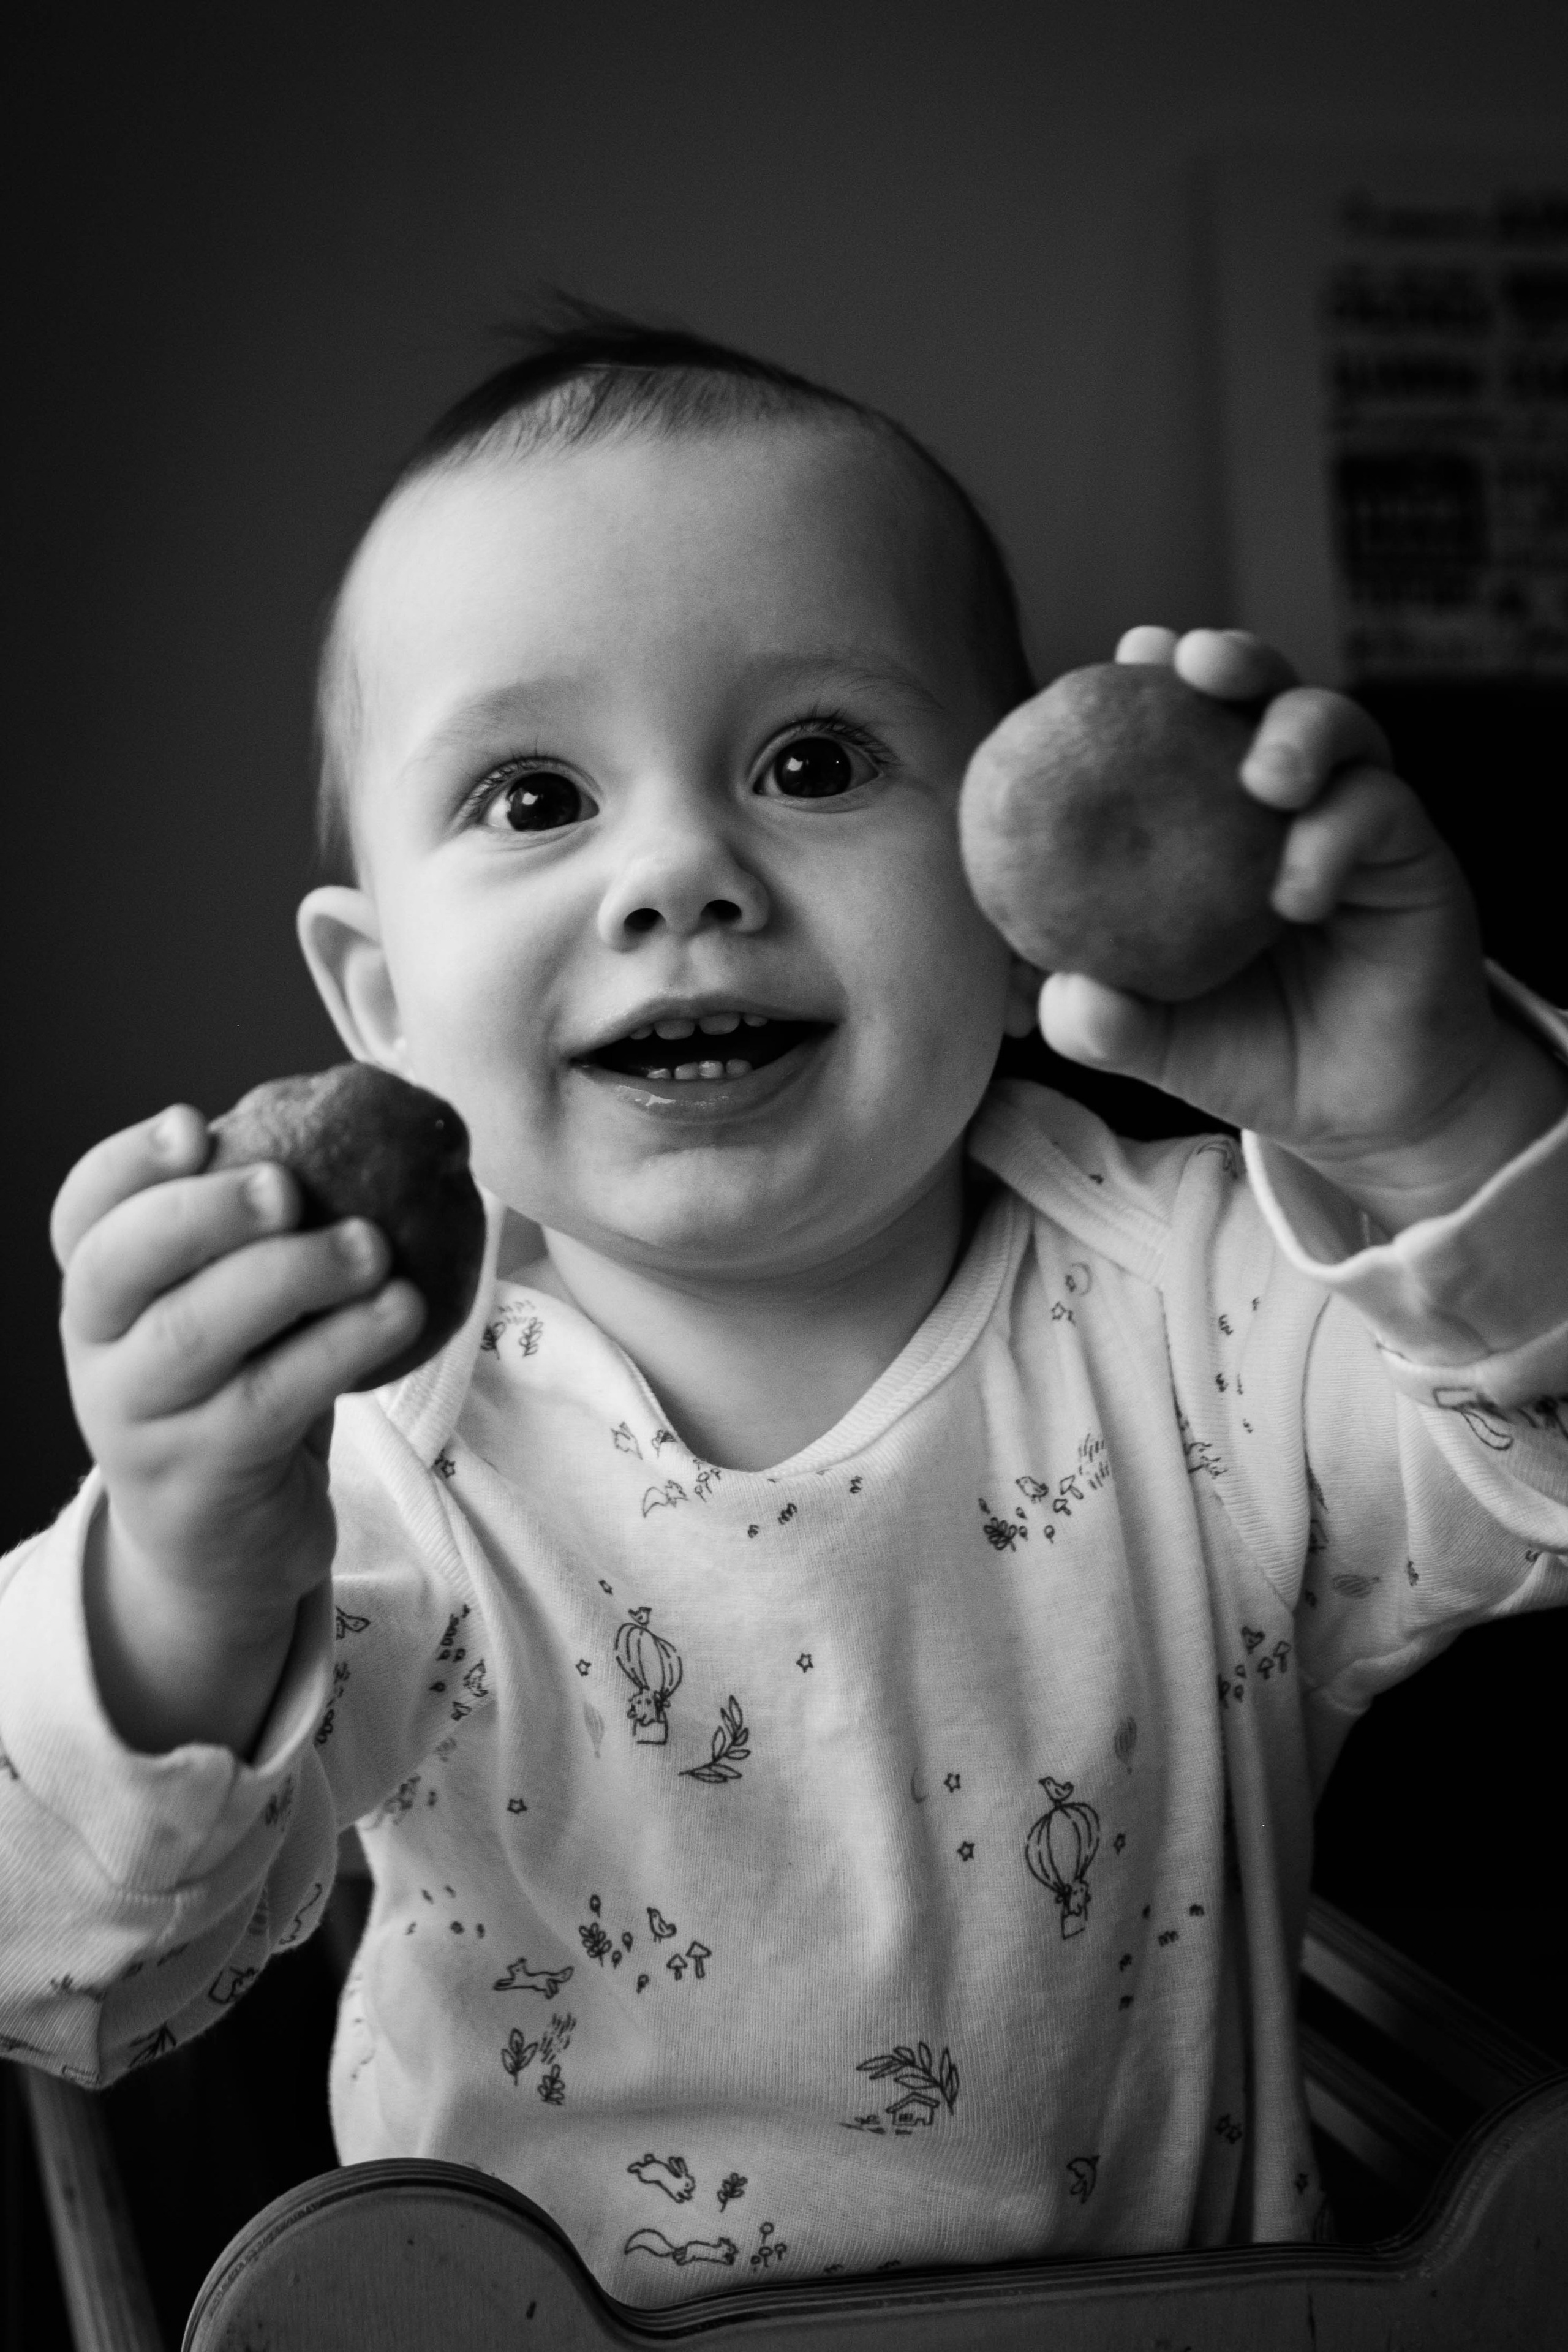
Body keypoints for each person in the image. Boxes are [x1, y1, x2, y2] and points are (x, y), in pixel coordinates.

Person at [2, 315, 1566, 2304]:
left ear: (1019, 909)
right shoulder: (383, 1447)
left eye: (812, 762)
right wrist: (190, 1568)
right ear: (382, 1003)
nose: (678, 871)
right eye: (534, 796)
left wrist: (1429, 1117)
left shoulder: (1211, 1316)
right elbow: (67, 1976)